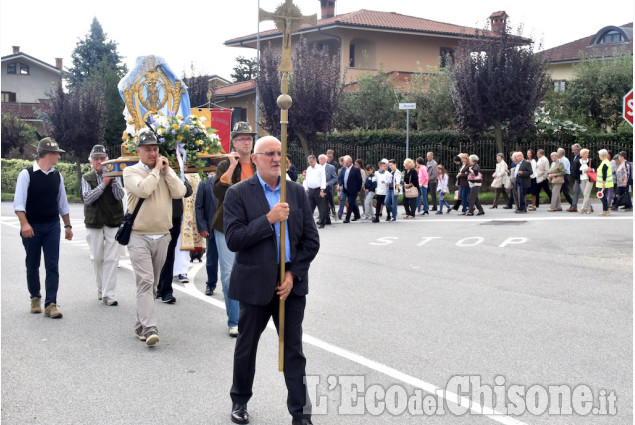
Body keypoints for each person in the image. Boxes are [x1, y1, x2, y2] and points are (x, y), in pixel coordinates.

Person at [223, 136, 320, 425]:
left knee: (293, 349)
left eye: (280, 153)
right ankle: (239, 401)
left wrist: (293, 274)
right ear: (255, 159)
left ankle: (300, 414)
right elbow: (234, 239)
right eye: (270, 154)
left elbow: (311, 241)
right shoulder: (238, 194)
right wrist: (268, 219)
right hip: (254, 282)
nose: (277, 158)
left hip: (290, 283)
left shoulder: (297, 192)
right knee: (246, 345)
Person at [123, 129, 187, 346]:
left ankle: (140, 324)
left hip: (162, 236)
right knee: (146, 281)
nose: (153, 153)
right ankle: (150, 328)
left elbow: (180, 192)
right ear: (139, 151)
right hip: (138, 236)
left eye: (155, 149)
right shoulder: (130, 172)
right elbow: (143, 190)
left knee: (152, 284)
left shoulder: (165, 172)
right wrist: (156, 172)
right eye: (148, 149)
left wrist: (167, 172)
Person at [14, 137, 73, 319]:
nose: (59, 157)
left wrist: (68, 225)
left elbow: (62, 203)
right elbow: (19, 203)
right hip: (32, 226)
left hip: (52, 225)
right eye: (57, 154)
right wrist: (24, 224)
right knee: (32, 264)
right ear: (49, 154)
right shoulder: (27, 174)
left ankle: (51, 304)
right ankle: (35, 297)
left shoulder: (57, 176)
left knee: (52, 265)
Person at [213, 121, 257, 337]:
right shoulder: (224, 165)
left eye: (249, 138)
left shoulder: (259, 163)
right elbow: (220, 193)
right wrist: (231, 166)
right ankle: (234, 320)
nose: (246, 141)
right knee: (230, 274)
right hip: (227, 225)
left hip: (256, 225)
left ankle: (251, 315)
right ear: (234, 142)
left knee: (254, 270)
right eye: (242, 138)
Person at [81, 144, 125, 306]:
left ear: (107, 160)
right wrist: (103, 184)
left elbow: (120, 195)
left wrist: (113, 181)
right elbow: (87, 199)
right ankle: (101, 288)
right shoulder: (87, 177)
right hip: (94, 222)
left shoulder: (116, 174)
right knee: (97, 258)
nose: (100, 161)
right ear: (91, 161)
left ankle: (109, 294)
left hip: (113, 220)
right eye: (96, 159)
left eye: (102, 158)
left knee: (112, 259)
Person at [156, 177, 193, 303]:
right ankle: (157, 287)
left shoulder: (176, 172)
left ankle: (166, 290)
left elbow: (188, 191)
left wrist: (177, 178)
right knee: (156, 254)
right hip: (155, 218)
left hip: (173, 218)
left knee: (169, 253)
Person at [195, 171, 220, 296]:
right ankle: (210, 284)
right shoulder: (205, 182)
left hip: (231, 228)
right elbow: (199, 206)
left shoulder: (235, 182)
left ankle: (234, 286)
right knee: (211, 260)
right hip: (213, 228)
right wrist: (202, 227)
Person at [303, 155, 328, 228]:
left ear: (315, 161)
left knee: (321, 207)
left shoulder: (320, 168)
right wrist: (306, 189)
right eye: (309, 162)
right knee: (309, 208)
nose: (310, 164)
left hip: (318, 189)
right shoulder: (309, 169)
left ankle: (322, 223)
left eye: (311, 162)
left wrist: (322, 190)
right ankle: (309, 223)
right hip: (311, 190)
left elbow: (323, 179)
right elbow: (307, 179)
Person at [342, 155, 362, 223]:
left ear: (350, 162)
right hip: (346, 189)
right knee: (352, 203)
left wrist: (359, 189)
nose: (345, 164)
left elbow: (359, 180)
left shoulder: (356, 169)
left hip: (353, 190)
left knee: (350, 204)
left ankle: (347, 218)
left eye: (346, 162)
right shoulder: (345, 169)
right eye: (345, 162)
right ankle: (357, 215)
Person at [318, 154, 337, 223]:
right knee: (322, 204)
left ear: (325, 160)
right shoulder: (318, 167)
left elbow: (335, 178)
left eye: (322, 159)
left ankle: (329, 216)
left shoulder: (331, 167)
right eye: (320, 159)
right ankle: (325, 219)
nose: (321, 160)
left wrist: (328, 183)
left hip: (328, 188)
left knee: (327, 204)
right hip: (319, 189)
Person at [596, 149, 614, 216]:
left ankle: (605, 210)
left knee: (602, 196)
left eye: (599, 155)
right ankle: (606, 209)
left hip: (604, 183)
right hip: (604, 183)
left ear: (602, 155)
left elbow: (604, 174)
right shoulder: (605, 161)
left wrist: (603, 183)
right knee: (602, 196)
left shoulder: (605, 162)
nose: (599, 156)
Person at [578, 148, 594, 214]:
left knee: (586, 193)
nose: (587, 154)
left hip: (589, 179)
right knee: (585, 195)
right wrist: (584, 170)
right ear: (582, 154)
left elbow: (595, 169)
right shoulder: (578, 161)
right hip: (581, 179)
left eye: (587, 153)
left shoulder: (590, 161)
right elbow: (575, 171)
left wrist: (591, 170)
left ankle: (583, 208)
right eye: (586, 153)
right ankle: (588, 208)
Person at [569, 143, 582, 212]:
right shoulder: (576, 157)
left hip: (580, 178)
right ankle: (574, 206)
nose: (572, 151)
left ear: (577, 150)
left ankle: (574, 206)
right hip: (577, 178)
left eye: (573, 150)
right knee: (577, 192)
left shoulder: (580, 157)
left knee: (577, 191)